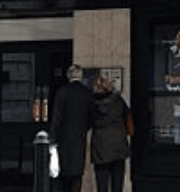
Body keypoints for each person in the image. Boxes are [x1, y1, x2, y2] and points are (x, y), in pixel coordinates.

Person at [49, 64, 92, 192]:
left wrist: (52, 138)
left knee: (62, 176)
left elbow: (57, 117)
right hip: (79, 138)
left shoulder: (62, 92)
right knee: (77, 175)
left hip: (63, 138)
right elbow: (91, 117)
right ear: (81, 76)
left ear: (68, 76)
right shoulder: (87, 93)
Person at [90, 75, 132, 192]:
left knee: (102, 185)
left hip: (100, 148)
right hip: (118, 146)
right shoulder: (119, 101)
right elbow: (128, 119)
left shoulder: (92, 103)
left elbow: (88, 122)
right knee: (117, 185)